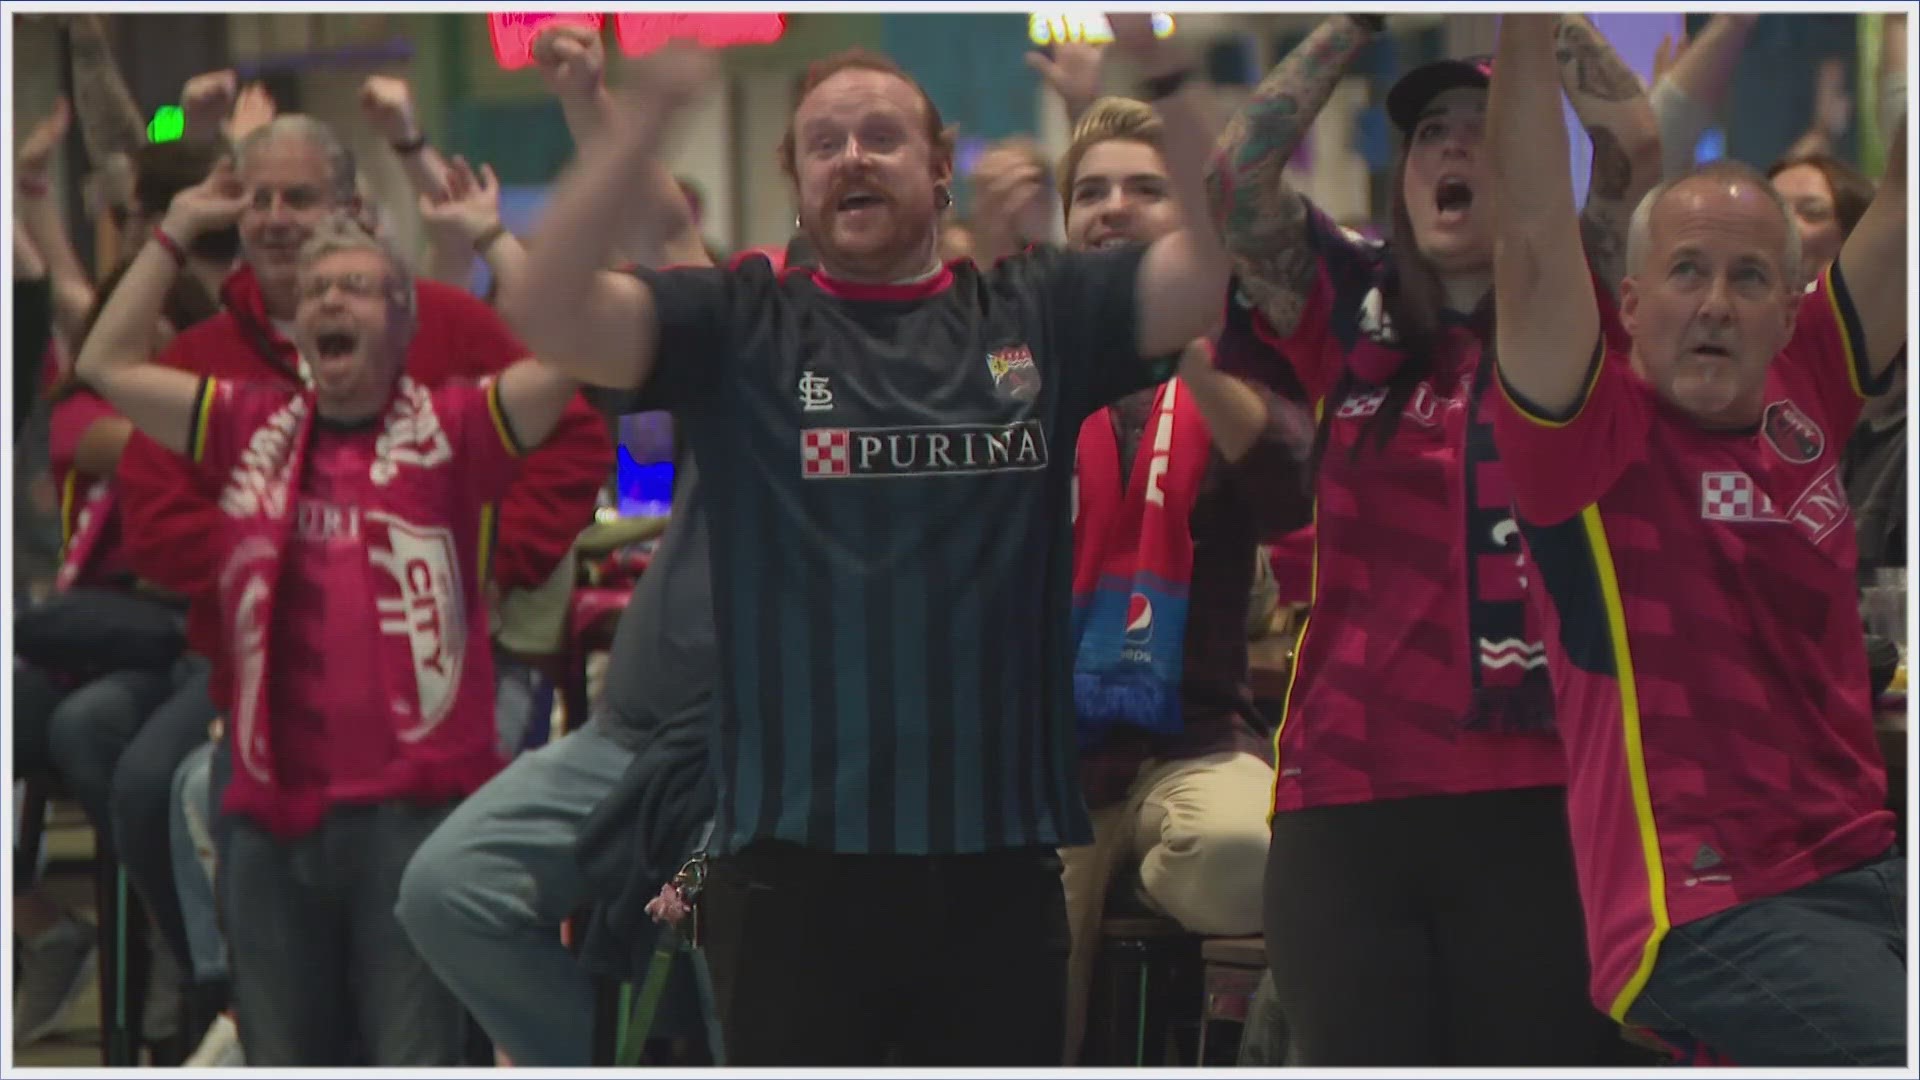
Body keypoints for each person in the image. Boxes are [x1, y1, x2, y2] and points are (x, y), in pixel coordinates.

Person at [511, 20, 1229, 1063]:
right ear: (797, 183)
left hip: (996, 861)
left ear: (941, 169)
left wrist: (1162, 77)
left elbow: (1213, 271)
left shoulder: (1038, 312)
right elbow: (548, 310)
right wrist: (645, 114)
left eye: (883, 137)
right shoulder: (741, 328)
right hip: (793, 869)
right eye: (825, 142)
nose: (853, 156)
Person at [1204, 13, 1661, 1065]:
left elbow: (1632, 145)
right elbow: (1239, 180)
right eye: (1430, 135)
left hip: (1541, 796)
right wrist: (1354, 23)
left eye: (1482, 128)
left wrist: (1541, 22)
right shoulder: (1348, 303)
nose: (1453, 148)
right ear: (1403, 176)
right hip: (1349, 801)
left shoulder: (1581, 303)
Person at [104, 108, 609, 1038]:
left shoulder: (446, 380)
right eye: (257, 200)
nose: (277, 219)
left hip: (431, 723)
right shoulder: (233, 398)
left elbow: (575, 394)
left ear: (357, 214)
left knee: (408, 1008)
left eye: (301, 197)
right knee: (157, 783)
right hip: (254, 709)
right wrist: (269, 558)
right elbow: (137, 472)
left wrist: (495, 565)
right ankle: (208, 1003)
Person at [1486, 13, 1908, 1066]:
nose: (1717, 303)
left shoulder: (1811, 386)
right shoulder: (1586, 442)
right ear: (1628, 304)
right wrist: (1527, 28)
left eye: (1749, 278)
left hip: (1868, 866)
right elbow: (1534, 227)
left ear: (1789, 307)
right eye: (1686, 273)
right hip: (1703, 907)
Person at [970, 93, 1312, 1063]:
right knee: (1023, 1017)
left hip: (1191, 746)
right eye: (1092, 191)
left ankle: (1144, 870)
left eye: (1144, 189)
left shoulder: (1238, 362)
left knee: (1257, 859)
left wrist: (1192, 356)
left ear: (1190, 220)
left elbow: (1293, 489)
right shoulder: (1020, 349)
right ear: (1067, 222)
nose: (1114, 206)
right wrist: (1000, 279)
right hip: (1039, 766)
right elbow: (977, 449)